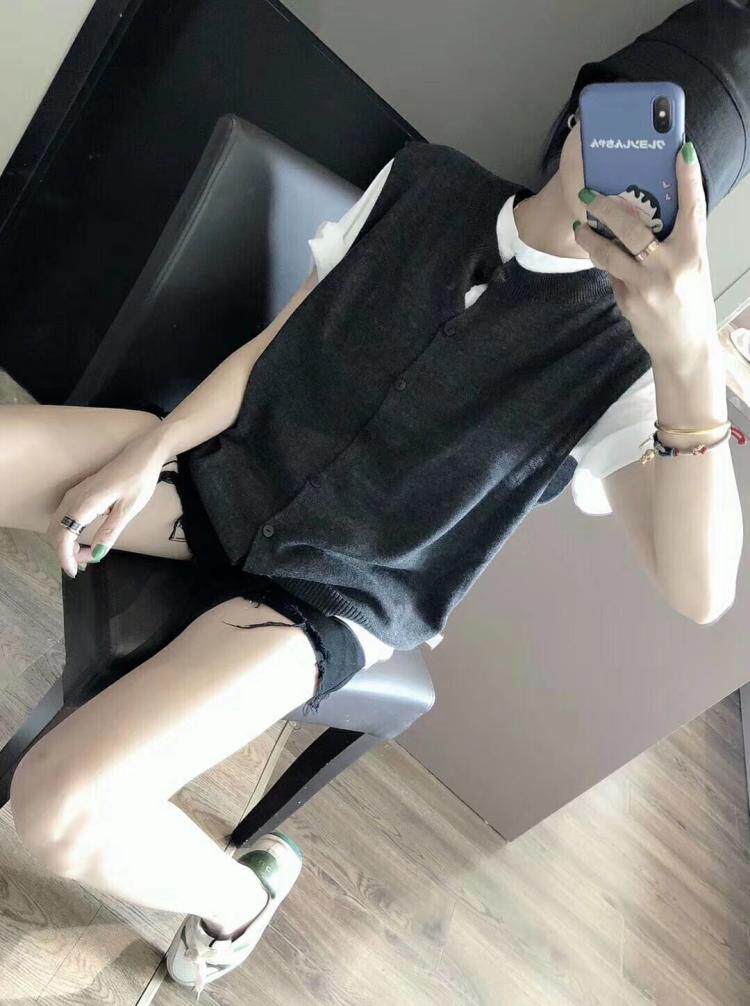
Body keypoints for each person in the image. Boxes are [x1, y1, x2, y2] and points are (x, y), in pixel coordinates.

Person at [4, 0, 749, 998]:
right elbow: (275, 346)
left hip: (333, 597)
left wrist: (690, 359)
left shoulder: (626, 363)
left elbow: (701, 593)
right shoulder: (426, 181)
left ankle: (236, 899)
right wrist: (154, 448)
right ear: (583, 111)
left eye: (672, 175)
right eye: (636, 123)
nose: (632, 175)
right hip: (226, 471)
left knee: (56, 811)